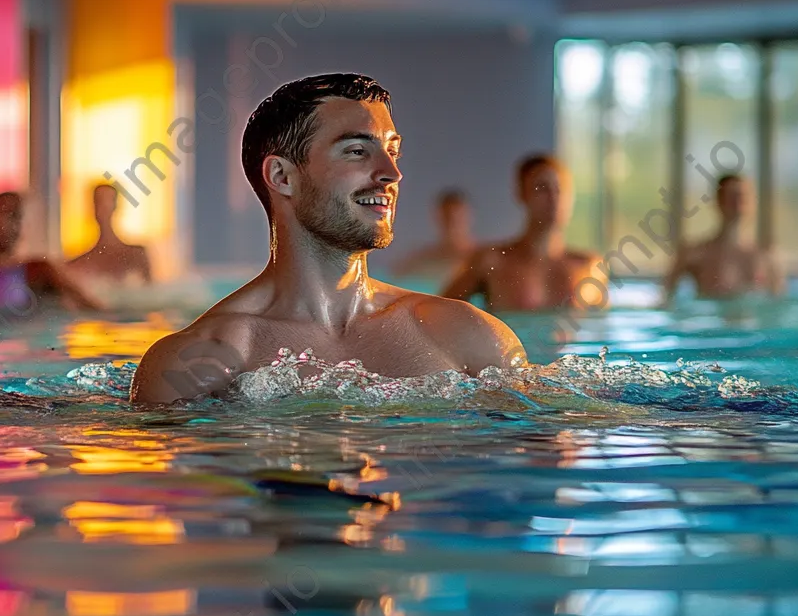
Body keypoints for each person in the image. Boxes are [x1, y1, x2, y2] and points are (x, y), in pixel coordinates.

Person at [130, 74, 526, 405]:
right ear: (283, 177)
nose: (391, 173)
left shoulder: (470, 336)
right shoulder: (197, 363)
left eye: (392, 152)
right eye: (357, 151)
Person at [440, 154, 607, 311]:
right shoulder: (491, 262)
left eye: (560, 188)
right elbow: (438, 315)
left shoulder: (590, 267)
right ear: (522, 194)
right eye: (542, 188)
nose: (554, 198)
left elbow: (603, 331)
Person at [663, 174, 783, 301]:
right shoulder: (694, 253)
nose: (738, 205)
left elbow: (780, 305)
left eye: (742, 198)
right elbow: (666, 297)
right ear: (719, 201)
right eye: (732, 198)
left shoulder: (766, 257)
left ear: (752, 203)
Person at [67, 184, 152, 284]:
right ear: (92, 207)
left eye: (107, 202)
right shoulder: (82, 262)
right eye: (98, 202)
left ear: (115, 206)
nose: (102, 209)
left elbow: (150, 292)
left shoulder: (136, 255)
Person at [390, 188, 478, 284]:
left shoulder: (482, 259)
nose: (453, 223)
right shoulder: (421, 260)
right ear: (438, 217)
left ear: (469, 216)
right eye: (447, 217)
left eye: (457, 217)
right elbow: (394, 279)